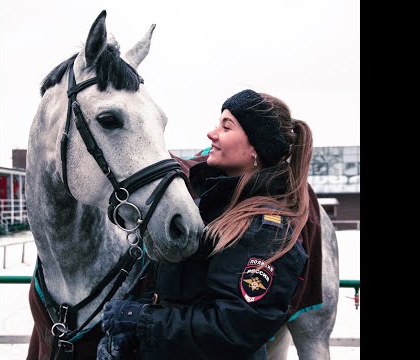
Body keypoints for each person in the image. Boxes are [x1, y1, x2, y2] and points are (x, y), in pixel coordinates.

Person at [96, 89, 313, 360]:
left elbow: (233, 329)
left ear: (256, 147)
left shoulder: (265, 231)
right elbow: (168, 291)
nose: (212, 134)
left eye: (226, 126)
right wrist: (129, 332)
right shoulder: (208, 207)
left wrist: (142, 321)